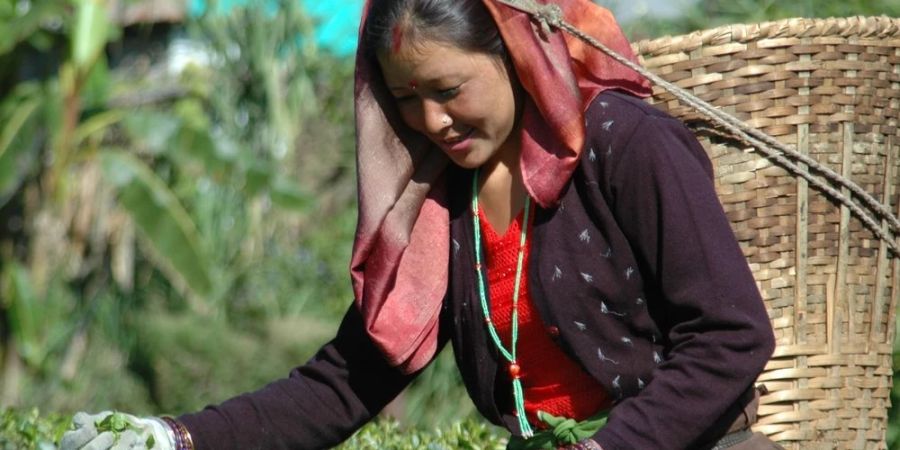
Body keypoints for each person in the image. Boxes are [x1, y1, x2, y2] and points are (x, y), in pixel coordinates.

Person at [61, 0, 781, 449]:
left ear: (515, 52)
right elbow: (345, 383)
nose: (431, 121)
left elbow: (730, 335)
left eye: (448, 89)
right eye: (406, 99)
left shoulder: (628, 145)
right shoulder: (442, 204)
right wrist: (174, 437)